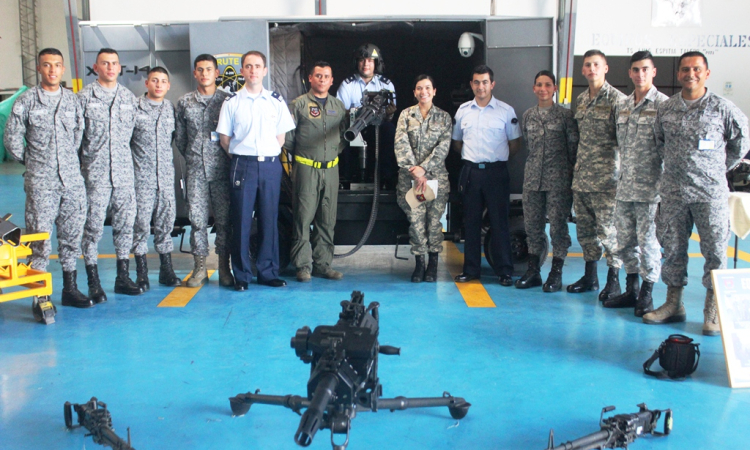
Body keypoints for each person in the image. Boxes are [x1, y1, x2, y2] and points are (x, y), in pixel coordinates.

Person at [643, 51, 749, 335]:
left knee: (715, 251)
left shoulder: (722, 108)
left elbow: (741, 142)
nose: (691, 74)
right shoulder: (667, 109)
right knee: (674, 249)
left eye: (697, 69)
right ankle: (673, 304)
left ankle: (712, 311)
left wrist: (716, 168)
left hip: (709, 193)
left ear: (707, 73)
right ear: (678, 74)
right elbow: (659, 142)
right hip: (674, 192)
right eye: (685, 69)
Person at [3, 48, 93, 308]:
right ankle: (39, 294)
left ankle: (70, 288)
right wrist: (32, 161)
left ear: (63, 69)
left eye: (57, 65)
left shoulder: (72, 100)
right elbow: (11, 139)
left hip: (72, 181)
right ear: (39, 69)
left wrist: (66, 160)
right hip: (41, 182)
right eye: (47, 65)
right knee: (39, 238)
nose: (52, 70)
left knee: (71, 235)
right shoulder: (27, 101)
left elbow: (78, 134)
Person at [217, 50, 295, 290]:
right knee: (241, 220)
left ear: (265, 71)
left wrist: (265, 156)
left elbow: (281, 137)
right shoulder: (232, 102)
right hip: (243, 165)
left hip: (270, 165)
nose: (253, 70)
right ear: (242, 71)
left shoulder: (275, 100)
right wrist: (246, 156)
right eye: (248, 66)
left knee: (269, 219)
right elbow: (224, 139)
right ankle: (241, 275)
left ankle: (267, 272)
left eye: (257, 66)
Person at [602, 51, 668, 315]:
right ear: (629, 73)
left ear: (653, 72)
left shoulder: (664, 105)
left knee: (648, 242)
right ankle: (632, 289)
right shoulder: (624, 105)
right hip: (624, 188)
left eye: (645, 69)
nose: (640, 74)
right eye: (635, 70)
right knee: (625, 242)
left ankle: (648, 295)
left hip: (651, 191)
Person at [78, 47, 142, 300]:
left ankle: (122, 277)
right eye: (105, 63)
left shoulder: (129, 98)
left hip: (125, 175)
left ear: (119, 67)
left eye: (114, 63)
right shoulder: (83, 98)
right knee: (92, 228)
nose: (110, 67)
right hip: (96, 175)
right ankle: (93, 281)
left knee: (125, 226)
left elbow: (136, 138)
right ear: (96, 67)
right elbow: (75, 139)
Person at [451, 65, 522, 286]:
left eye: (484, 82)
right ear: (471, 84)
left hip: (496, 174)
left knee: (499, 222)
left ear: (492, 84)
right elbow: (456, 142)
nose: (480, 86)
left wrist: (495, 159)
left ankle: (504, 271)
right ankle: (471, 270)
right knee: (470, 223)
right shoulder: (463, 110)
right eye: (476, 82)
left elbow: (515, 143)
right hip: (471, 173)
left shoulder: (506, 111)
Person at [567, 49, 626, 300]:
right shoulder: (581, 100)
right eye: (588, 65)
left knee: (609, 231)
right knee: (586, 231)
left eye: (596, 65)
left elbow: (623, 141)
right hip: (582, 178)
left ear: (605, 68)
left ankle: (614, 281)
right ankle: (590, 277)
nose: (592, 69)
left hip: (606, 181)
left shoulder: (617, 100)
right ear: (582, 70)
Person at [515, 70, 578, 292]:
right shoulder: (528, 116)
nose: (543, 89)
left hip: (558, 180)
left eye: (548, 85)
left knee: (558, 228)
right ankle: (533, 271)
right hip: (532, 179)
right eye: (539, 85)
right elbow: (529, 148)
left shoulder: (565, 116)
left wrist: (568, 178)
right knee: (533, 227)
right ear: (534, 88)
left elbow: (572, 150)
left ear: (554, 89)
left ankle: (556, 272)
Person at [284, 62, 348, 283]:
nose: (322, 79)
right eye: (318, 75)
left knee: (326, 219)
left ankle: (323, 265)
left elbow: (342, 138)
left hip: (331, 170)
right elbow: (287, 139)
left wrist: (330, 154)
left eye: (326, 76)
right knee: (303, 218)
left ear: (332, 81)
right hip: (306, 169)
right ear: (310, 78)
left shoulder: (338, 107)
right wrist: (307, 155)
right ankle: (303, 266)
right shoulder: (298, 105)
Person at [175, 54, 233, 288]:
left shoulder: (228, 101)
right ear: (195, 73)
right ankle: (199, 268)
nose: (204, 73)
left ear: (217, 73)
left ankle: (224, 268)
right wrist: (195, 157)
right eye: (200, 70)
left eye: (209, 69)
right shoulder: (185, 102)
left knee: (224, 221)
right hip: (196, 171)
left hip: (222, 170)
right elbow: (180, 139)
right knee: (197, 221)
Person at [394, 74, 452, 282]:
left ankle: (433, 265)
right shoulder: (406, 115)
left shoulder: (444, 118)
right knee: (416, 223)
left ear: (434, 91)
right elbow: (401, 144)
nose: (423, 92)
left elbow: (443, 147)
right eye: (419, 88)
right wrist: (414, 170)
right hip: (411, 181)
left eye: (428, 88)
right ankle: (419, 264)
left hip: (435, 180)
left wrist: (424, 169)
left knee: (434, 223)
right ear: (414, 92)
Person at [129, 66, 181, 291]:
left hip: (165, 179)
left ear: (168, 86)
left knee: (165, 225)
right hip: (142, 179)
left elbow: (173, 140)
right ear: (147, 84)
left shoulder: (170, 108)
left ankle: (166, 271)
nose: (159, 85)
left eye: (163, 81)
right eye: (154, 80)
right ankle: (141, 274)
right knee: (140, 225)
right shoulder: (134, 108)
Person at [336, 43, 398, 186]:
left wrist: (388, 114)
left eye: (370, 60)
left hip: (378, 128)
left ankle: (385, 179)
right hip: (353, 127)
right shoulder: (347, 85)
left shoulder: (386, 85)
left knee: (389, 130)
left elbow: (390, 114)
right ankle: (346, 179)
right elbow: (340, 111)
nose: (366, 64)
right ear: (356, 62)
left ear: (376, 63)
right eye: (362, 60)